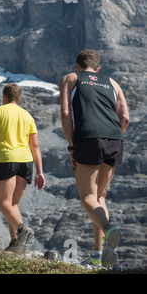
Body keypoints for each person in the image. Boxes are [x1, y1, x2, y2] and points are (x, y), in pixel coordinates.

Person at [59, 49, 130, 268]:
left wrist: (72, 146)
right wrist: (114, 137)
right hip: (114, 140)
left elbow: (65, 113)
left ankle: (109, 230)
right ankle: (99, 255)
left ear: (77, 65)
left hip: (88, 138)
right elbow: (125, 117)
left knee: (86, 197)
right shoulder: (112, 82)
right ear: (98, 69)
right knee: (100, 199)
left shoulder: (71, 78)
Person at [0, 83, 45, 255]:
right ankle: (16, 243)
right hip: (26, 162)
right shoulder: (28, 116)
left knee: (3, 204)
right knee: (13, 205)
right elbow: (36, 146)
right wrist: (39, 172)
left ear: (4, 97)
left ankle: (22, 230)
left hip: (8, 160)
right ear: (19, 98)